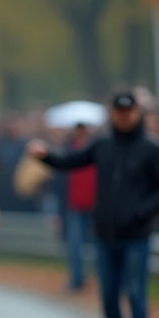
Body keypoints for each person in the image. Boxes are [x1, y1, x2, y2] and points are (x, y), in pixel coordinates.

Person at [28, 90, 159, 318]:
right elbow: (72, 162)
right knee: (109, 295)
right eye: (119, 112)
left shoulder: (151, 148)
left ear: (137, 113)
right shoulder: (103, 145)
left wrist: (142, 212)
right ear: (112, 114)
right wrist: (46, 157)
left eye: (128, 112)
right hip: (106, 235)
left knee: (134, 293)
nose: (124, 117)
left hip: (136, 235)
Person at [61, 123, 97, 291]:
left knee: (98, 246)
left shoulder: (97, 148)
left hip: (95, 205)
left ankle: (100, 281)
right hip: (74, 204)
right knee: (75, 245)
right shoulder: (69, 149)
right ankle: (77, 279)